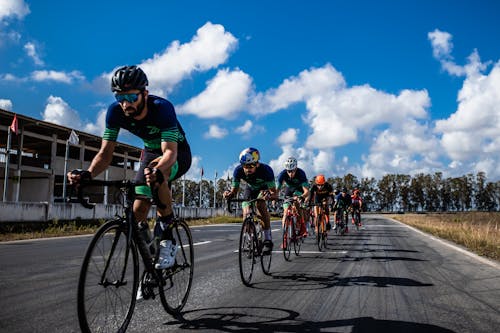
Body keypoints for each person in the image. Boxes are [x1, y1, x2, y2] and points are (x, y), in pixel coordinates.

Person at [67, 65, 191, 270]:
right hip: (151, 151)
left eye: (132, 98)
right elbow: (105, 154)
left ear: (145, 94)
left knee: (159, 174)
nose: (126, 104)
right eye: (120, 98)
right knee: (138, 209)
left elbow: (169, 152)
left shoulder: (162, 108)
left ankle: (167, 240)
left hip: (177, 152)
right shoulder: (114, 113)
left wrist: (157, 170)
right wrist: (88, 174)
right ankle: (150, 260)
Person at [223, 147, 278, 253]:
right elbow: (234, 191)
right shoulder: (238, 171)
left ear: (257, 164)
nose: (248, 169)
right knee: (246, 212)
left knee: (260, 205)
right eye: (245, 166)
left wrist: (270, 196)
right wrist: (228, 194)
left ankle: (267, 239)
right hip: (250, 189)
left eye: (251, 166)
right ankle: (249, 238)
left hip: (263, 188)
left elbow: (274, 193)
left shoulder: (266, 170)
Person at [276, 157, 309, 241]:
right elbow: (277, 190)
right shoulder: (282, 174)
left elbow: (306, 191)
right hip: (289, 189)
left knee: (297, 204)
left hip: (299, 189)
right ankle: (285, 234)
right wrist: (274, 198)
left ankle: (301, 226)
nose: (290, 173)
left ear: (296, 168)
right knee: (285, 211)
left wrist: (301, 197)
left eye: (292, 171)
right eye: (288, 171)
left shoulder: (301, 173)